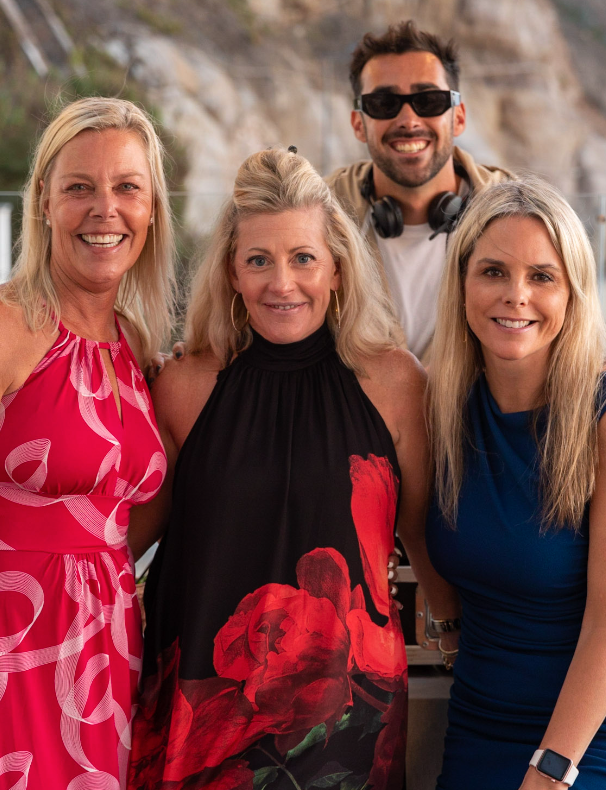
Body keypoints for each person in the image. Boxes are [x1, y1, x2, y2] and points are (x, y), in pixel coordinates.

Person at [127, 146, 434, 790]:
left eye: (303, 259)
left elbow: (426, 538)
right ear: (232, 274)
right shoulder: (185, 383)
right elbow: (129, 534)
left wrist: (459, 626)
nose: (282, 283)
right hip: (202, 712)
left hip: (348, 723)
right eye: (258, 261)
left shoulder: (394, 382)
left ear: (338, 270)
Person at [0, 97, 176, 789]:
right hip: (15, 640)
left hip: (103, 647)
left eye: (127, 187)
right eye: (79, 187)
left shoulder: (135, 343)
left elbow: (131, 515)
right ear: (43, 202)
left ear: (153, 208)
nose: (106, 209)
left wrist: (90, 575)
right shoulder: (12, 325)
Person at [424, 176, 606, 788]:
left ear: (573, 292)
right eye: (494, 271)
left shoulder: (601, 416)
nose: (516, 296)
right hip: (474, 727)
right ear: (463, 285)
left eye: (542, 276)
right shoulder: (442, 406)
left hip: (583, 745)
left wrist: (552, 770)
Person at [326, 20, 511, 362]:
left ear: (458, 117)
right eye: (384, 103)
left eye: (428, 100)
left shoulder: (516, 212)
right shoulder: (319, 212)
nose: (409, 119)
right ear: (358, 123)